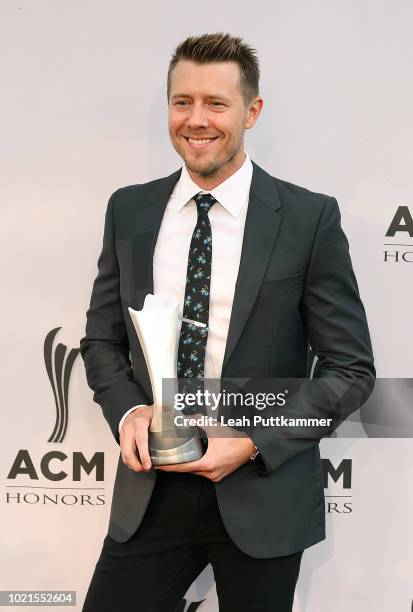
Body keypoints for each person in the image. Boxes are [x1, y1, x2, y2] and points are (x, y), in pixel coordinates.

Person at [80, 32, 375, 612]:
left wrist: (251, 442)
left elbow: (350, 369)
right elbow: (100, 341)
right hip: (151, 493)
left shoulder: (308, 218)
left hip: (262, 493)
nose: (196, 120)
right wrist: (130, 411)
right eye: (181, 102)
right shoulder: (130, 210)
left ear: (252, 111)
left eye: (216, 103)